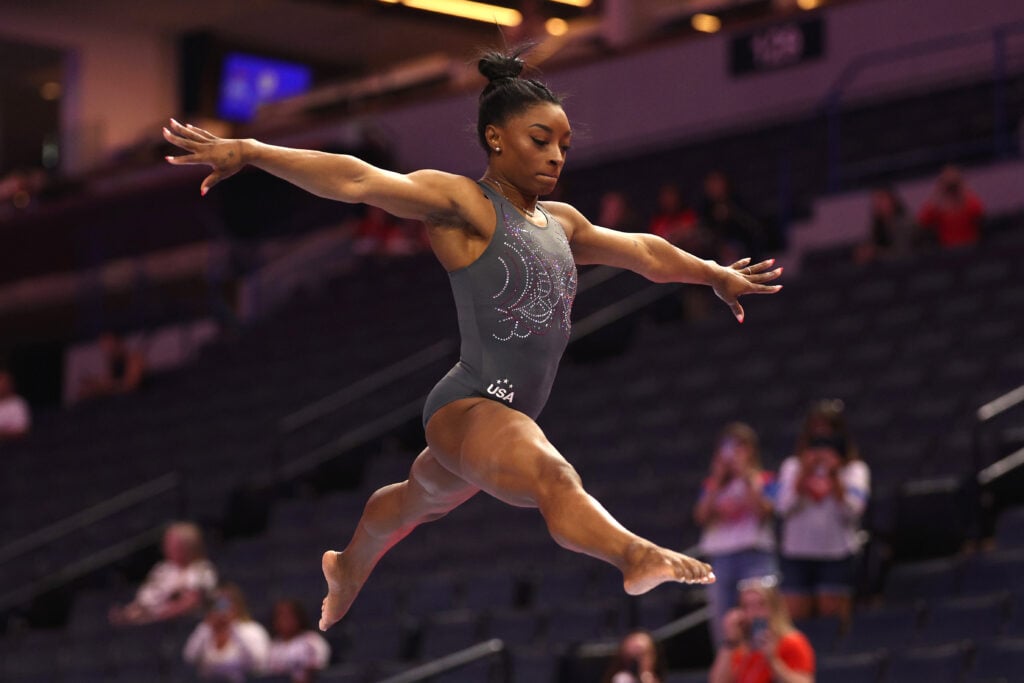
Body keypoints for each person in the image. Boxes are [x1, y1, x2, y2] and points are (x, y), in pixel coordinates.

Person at [162, 45, 783, 633]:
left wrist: (714, 273)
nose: (556, 156)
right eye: (540, 141)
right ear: (495, 138)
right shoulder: (466, 202)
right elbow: (355, 179)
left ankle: (349, 564)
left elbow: (645, 251)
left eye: (563, 145)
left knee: (417, 498)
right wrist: (251, 149)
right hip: (474, 403)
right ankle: (632, 555)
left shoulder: (562, 223)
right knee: (554, 478)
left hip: (499, 415)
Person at [775, 400, 869, 624]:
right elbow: (782, 507)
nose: (821, 438)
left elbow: (853, 512)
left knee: (833, 622)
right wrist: (803, 474)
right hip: (797, 553)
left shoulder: (854, 469)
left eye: (828, 432)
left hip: (836, 553)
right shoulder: (792, 467)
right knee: (797, 621)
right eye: (816, 432)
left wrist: (835, 477)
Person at [694, 423, 777, 646]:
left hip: (754, 555)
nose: (733, 453)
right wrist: (718, 480)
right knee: (723, 621)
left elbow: (764, 511)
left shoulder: (764, 479)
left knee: (759, 619)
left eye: (740, 446)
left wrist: (746, 476)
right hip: (720, 559)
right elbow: (701, 516)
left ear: (751, 450)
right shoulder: (712, 485)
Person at [709, 575, 815, 683]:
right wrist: (730, 641)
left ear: (774, 607)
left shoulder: (792, 641)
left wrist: (773, 661)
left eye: (761, 605)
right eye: (747, 606)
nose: (754, 612)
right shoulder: (739, 648)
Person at [109, 521, 218, 625]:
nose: (166, 546)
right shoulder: (162, 569)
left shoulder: (201, 569)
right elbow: (145, 599)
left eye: (172, 543)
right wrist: (127, 615)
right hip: (148, 623)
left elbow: (191, 602)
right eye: (166, 542)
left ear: (188, 546)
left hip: (178, 626)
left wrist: (156, 617)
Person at [183, 583, 270, 682]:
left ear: (237, 605)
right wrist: (206, 626)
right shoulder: (207, 630)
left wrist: (233, 627)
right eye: (218, 605)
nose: (222, 610)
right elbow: (189, 657)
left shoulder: (252, 630)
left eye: (225, 604)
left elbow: (257, 664)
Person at [697, 171, 764, 262]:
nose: (712, 186)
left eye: (716, 182)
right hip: (714, 246)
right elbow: (704, 230)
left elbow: (753, 228)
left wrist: (731, 214)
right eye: (709, 183)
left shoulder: (737, 202)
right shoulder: (706, 207)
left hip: (740, 244)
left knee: (730, 251)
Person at [916, 164, 984, 248]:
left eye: (953, 183)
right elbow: (922, 222)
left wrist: (963, 190)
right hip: (947, 251)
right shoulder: (937, 205)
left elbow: (979, 213)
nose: (951, 188)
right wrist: (938, 194)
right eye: (948, 184)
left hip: (971, 247)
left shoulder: (969, 201)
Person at [264, 599, 331, 683]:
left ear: (299, 617)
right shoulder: (273, 646)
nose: (285, 621)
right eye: (281, 616)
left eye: (289, 616)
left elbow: (319, 670)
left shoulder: (312, 641)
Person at [853, 186, 919, 264]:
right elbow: (869, 244)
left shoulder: (905, 223)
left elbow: (903, 255)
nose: (877, 204)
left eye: (881, 199)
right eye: (874, 201)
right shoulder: (877, 226)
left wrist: (876, 253)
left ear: (893, 200)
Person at [78, 331, 146, 401]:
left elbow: (130, 386)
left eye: (110, 347)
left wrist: (104, 386)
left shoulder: (134, 358)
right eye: (105, 349)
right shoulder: (113, 363)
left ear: (118, 343)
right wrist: (96, 385)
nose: (108, 351)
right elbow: (111, 381)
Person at [602, 629, 667, 683]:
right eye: (630, 656)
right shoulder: (621, 679)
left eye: (642, 654)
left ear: (654, 657)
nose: (636, 661)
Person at [0, 369, 31, 441]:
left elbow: (23, 430)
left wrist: (2, 433)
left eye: (3, 384)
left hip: (12, 446)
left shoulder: (18, 403)